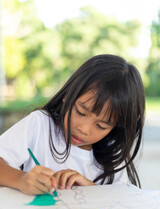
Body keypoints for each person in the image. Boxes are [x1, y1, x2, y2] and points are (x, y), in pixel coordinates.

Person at [0, 54, 145, 195]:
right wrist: (22, 180)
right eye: (81, 112)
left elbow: (122, 202)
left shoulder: (113, 155)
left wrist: (92, 189)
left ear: (117, 126)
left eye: (101, 126)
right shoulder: (40, 124)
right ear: (68, 95)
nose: (84, 129)